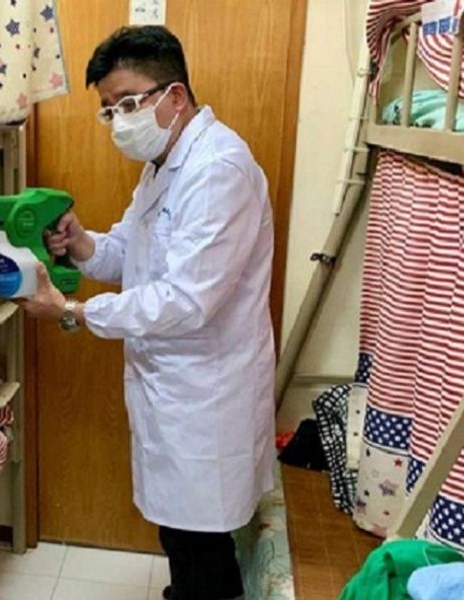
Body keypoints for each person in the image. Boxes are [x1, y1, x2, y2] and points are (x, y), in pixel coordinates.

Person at [18, 25, 276, 600]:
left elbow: (185, 299)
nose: (119, 119)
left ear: (175, 96)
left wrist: (71, 313)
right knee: (183, 537)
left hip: (206, 393)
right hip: (172, 387)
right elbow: (134, 252)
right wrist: (83, 244)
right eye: (109, 109)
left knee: (200, 544)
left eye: (128, 103)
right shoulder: (164, 163)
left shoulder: (218, 170)